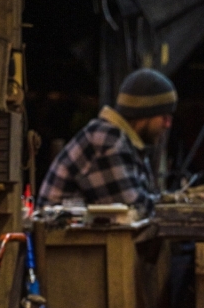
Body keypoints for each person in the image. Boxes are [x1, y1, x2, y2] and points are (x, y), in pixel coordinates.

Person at [37, 68, 177, 215]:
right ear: (144, 113)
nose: (168, 124)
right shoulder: (109, 140)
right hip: (58, 228)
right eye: (164, 117)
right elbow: (133, 209)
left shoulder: (128, 143)